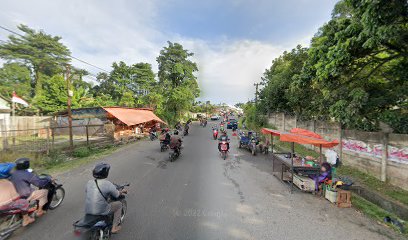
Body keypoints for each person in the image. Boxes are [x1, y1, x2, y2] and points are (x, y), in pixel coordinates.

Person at [85, 163, 127, 234]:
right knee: (119, 205)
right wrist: (122, 191)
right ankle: (114, 228)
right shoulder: (107, 184)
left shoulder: (89, 182)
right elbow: (116, 195)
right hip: (101, 209)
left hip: (88, 209)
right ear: (105, 173)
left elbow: (87, 191)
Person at [10, 158, 51, 226]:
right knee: (44, 192)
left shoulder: (13, 173)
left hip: (15, 194)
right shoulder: (27, 174)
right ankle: (39, 211)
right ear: (26, 165)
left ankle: (24, 213)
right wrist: (48, 179)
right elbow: (39, 184)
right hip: (25, 194)